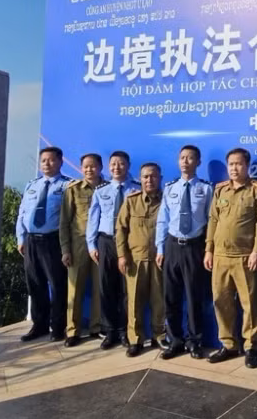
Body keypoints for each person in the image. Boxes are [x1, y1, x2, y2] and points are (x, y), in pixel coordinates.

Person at [205, 148, 257, 368]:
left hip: (244, 257)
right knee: (221, 301)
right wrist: (209, 249)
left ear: (247, 165)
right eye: (231, 164)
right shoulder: (220, 190)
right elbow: (213, 220)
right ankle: (229, 344)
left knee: (249, 304)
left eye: (238, 164)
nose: (234, 168)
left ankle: (251, 346)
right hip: (220, 256)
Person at [155, 145, 214, 360]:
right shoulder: (170, 188)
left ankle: (194, 341)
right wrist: (160, 248)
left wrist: (208, 249)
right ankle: (175, 341)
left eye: (190, 158)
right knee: (171, 297)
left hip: (194, 247)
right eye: (182, 158)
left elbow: (211, 221)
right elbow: (163, 220)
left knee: (194, 297)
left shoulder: (206, 189)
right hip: (172, 246)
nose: (185, 161)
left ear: (198, 162)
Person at [16, 146, 72, 342]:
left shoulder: (67, 186)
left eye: (51, 160)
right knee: (35, 284)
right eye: (43, 160)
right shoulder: (32, 185)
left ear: (60, 162)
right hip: (31, 241)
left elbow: (70, 218)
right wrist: (21, 238)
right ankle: (39, 325)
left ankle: (58, 327)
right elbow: (22, 213)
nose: (47, 164)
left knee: (57, 285)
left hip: (52, 241)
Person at [86, 151, 140, 350]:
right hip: (106, 242)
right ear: (109, 167)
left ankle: (125, 331)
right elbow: (93, 219)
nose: (117, 167)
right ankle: (109, 331)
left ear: (128, 165)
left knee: (126, 290)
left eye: (121, 163)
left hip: (129, 244)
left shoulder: (137, 189)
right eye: (113, 164)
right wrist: (91, 245)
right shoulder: (101, 191)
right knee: (106, 287)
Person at [116, 163, 166, 357]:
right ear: (140, 179)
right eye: (145, 177)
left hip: (159, 260)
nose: (149, 180)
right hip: (135, 261)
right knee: (134, 302)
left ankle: (159, 336)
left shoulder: (167, 200)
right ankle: (135, 339)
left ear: (160, 178)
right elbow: (121, 229)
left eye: (153, 176)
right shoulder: (131, 201)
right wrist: (122, 255)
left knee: (159, 301)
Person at [59, 153, 104, 347]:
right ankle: (72, 330)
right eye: (85, 166)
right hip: (78, 245)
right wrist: (65, 249)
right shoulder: (73, 190)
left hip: (102, 244)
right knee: (75, 289)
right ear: (81, 168)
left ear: (100, 167)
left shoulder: (107, 188)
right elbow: (64, 222)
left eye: (93, 166)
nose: (89, 169)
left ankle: (96, 327)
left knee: (99, 288)